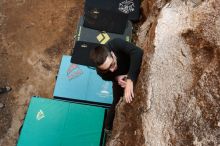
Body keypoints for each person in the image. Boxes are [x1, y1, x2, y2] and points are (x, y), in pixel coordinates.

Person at [90, 38, 143, 131]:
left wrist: (130, 79)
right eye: (107, 69)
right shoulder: (100, 71)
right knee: (116, 100)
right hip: (119, 78)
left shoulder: (116, 43)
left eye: (112, 64)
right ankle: (108, 128)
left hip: (130, 65)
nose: (112, 69)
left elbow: (137, 52)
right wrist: (117, 78)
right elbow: (106, 77)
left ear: (113, 54)